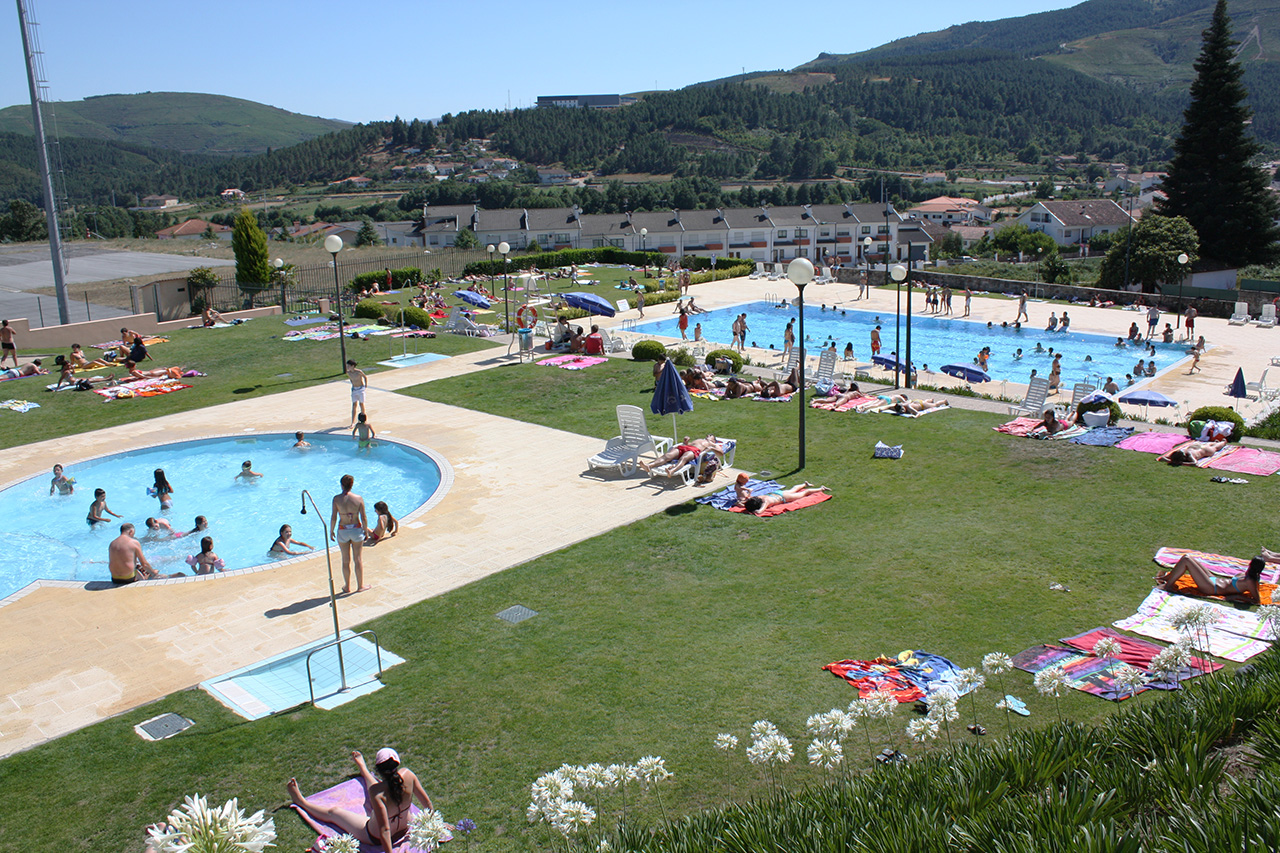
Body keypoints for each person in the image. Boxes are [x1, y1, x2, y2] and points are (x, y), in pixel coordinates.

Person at [287, 748, 436, 853]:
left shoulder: (377, 792)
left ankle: (302, 802)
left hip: (375, 836)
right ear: (397, 764)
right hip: (404, 828)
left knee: (334, 812)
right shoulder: (409, 775)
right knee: (377, 792)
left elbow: (385, 830)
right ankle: (364, 771)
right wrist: (435, 824)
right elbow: (427, 804)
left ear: (379, 770)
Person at [1157, 555, 1263, 605]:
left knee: (1187, 560)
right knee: (1190, 558)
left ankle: (1168, 585)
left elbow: (1256, 600)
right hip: (1214, 580)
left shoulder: (1250, 581)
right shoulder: (1251, 576)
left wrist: (1236, 596)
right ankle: (1169, 577)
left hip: (1211, 588)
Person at [331, 473, 369, 593]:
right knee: (358, 559)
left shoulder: (336, 499)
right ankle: (360, 586)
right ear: (352, 485)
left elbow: (333, 517)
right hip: (356, 529)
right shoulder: (358, 498)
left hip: (343, 529)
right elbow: (364, 517)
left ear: (341, 485)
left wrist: (331, 530)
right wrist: (366, 530)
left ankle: (347, 586)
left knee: (345, 560)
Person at [108, 522, 178, 584]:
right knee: (152, 574)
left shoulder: (112, 543)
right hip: (128, 578)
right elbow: (144, 564)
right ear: (131, 532)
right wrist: (153, 573)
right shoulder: (134, 542)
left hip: (115, 579)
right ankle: (170, 576)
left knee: (138, 568)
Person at [639, 435, 725, 474]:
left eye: (710, 435)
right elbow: (688, 444)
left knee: (684, 458)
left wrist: (712, 448)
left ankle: (672, 471)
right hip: (684, 448)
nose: (708, 435)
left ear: (714, 440)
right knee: (667, 456)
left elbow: (721, 453)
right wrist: (686, 442)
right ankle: (649, 466)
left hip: (694, 451)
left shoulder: (713, 444)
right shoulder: (699, 439)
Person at [742, 483, 830, 515]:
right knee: (793, 489)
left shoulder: (766, 502)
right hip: (778, 493)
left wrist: (753, 511)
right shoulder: (759, 498)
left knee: (804, 493)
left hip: (783, 498)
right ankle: (804, 484)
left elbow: (760, 511)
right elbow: (749, 498)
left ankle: (821, 489)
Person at [1158, 439, 1226, 466]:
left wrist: (1181, 463)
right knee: (1207, 445)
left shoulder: (1189, 455)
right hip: (1196, 447)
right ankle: (1216, 442)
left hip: (1204, 450)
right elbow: (1162, 458)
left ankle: (1223, 442)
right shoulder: (1177, 454)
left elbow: (1195, 463)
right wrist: (1171, 461)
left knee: (1214, 448)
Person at [347, 360, 368, 429]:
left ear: (352, 366)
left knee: (361, 404)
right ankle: (352, 422)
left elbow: (365, 377)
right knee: (354, 405)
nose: (347, 367)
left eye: (348, 366)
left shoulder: (359, 372)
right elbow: (351, 380)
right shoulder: (348, 373)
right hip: (354, 389)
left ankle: (363, 420)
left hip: (360, 389)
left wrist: (365, 385)